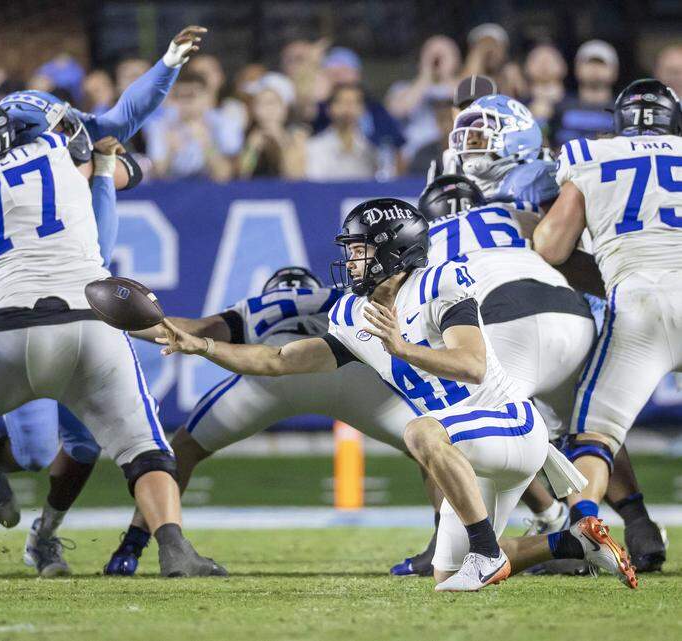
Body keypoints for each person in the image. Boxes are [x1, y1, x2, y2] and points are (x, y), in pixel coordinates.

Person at [157, 196, 636, 591]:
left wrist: (401, 347)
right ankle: (570, 543)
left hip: (508, 425)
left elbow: (472, 365)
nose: (350, 260)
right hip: (466, 447)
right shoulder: (352, 314)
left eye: (360, 249)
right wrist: (203, 345)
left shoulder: (438, 283)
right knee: (447, 573)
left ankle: (487, 552)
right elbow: (278, 361)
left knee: (421, 431)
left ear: (392, 252)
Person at [0, 96, 226, 578]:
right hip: (94, 323)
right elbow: (116, 158)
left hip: (12, 333)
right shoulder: (53, 151)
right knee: (145, 447)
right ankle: (174, 548)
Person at [103, 267, 416, 575]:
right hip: (345, 377)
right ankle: (442, 547)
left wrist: (124, 320)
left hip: (270, 379)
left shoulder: (257, 305)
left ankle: (130, 548)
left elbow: (193, 331)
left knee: (183, 448)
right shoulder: (339, 296)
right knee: (428, 442)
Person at [388, 174, 596, 576]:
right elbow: (563, 248)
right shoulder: (509, 215)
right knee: (591, 431)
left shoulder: (419, 246)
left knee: (451, 419)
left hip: (504, 321)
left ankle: (531, 532)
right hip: (572, 315)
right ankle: (620, 521)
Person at [532, 78, 682, 575]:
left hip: (636, 301)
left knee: (594, 435)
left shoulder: (592, 154)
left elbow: (550, 247)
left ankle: (586, 526)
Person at [386, 35, 461, 160]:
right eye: (431, 54)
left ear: (456, 59)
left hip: (453, 152)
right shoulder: (402, 88)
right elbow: (396, 112)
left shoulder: (464, 86)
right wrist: (426, 75)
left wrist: (446, 75)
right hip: (413, 155)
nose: (437, 59)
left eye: (444, 55)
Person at [550, 41, 620, 148]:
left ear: (614, 71)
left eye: (601, 64)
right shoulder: (558, 107)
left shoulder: (624, 111)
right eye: (589, 63)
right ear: (577, 69)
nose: (595, 69)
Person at [306, 83, 378, 181]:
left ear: (362, 109)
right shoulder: (314, 147)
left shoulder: (371, 148)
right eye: (342, 102)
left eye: (355, 102)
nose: (348, 108)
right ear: (329, 109)